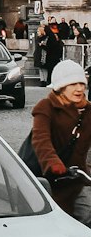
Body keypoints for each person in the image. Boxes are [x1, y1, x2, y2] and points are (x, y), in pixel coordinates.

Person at [31, 60, 91, 223]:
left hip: (78, 179)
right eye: (72, 84)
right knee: (57, 222)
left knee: (87, 215)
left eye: (81, 83)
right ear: (60, 87)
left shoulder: (88, 111)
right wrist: (53, 163)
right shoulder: (46, 107)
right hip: (51, 180)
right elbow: (41, 139)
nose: (79, 88)